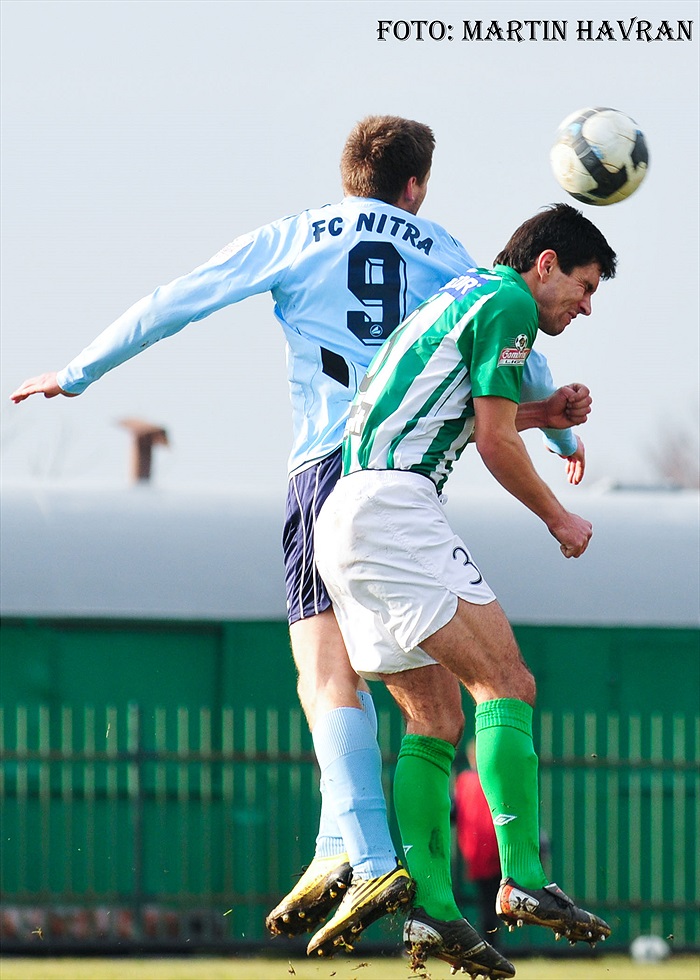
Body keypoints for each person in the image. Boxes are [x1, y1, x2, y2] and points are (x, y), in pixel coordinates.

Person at [10, 119, 580, 974]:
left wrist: (79, 371)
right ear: (416, 185)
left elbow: (181, 297)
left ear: (350, 176)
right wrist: (565, 438)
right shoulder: (454, 253)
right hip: (402, 478)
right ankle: (341, 849)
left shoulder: (296, 235)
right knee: (420, 702)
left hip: (324, 469)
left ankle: (367, 856)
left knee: (325, 677)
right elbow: (511, 351)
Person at [315, 203, 616, 974]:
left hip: (344, 517)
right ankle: (520, 879)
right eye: (582, 287)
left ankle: (435, 915)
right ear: (544, 263)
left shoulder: (463, 297)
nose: (584, 307)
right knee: (507, 682)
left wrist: (545, 413)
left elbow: (464, 412)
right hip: (393, 510)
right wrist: (558, 516)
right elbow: (491, 438)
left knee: (434, 714)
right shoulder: (513, 302)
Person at [454, 739, 502, 940]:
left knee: (487, 900)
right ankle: (491, 942)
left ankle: (487, 942)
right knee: (491, 900)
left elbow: (454, 811)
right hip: (494, 851)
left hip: (480, 852)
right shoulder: (496, 779)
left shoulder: (465, 781)